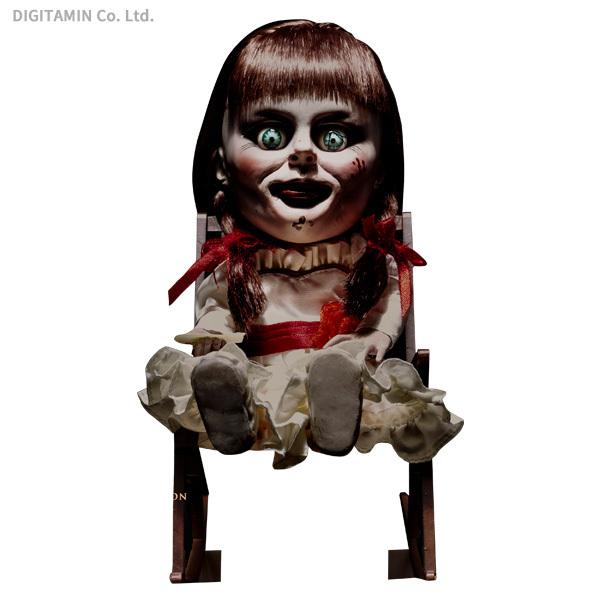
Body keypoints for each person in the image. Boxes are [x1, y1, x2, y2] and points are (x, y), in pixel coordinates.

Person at [138, 20, 463, 469]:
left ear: (381, 168)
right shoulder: (238, 259)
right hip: (258, 371)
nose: (303, 155)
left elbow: (388, 301)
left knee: (345, 371)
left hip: (346, 364)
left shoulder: (367, 256)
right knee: (224, 369)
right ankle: (230, 404)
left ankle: (335, 406)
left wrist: (376, 336)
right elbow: (218, 305)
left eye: (334, 138)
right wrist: (215, 336)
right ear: (220, 162)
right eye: (270, 135)